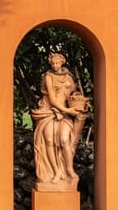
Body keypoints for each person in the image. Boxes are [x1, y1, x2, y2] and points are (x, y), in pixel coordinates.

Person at [31, 53, 87, 187]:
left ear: (62, 62)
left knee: (64, 139)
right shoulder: (48, 77)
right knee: (49, 140)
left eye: (57, 63)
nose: (55, 66)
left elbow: (72, 94)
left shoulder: (69, 78)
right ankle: (55, 172)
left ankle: (68, 169)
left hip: (65, 113)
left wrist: (77, 99)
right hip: (50, 111)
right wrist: (67, 110)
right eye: (53, 64)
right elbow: (52, 99)